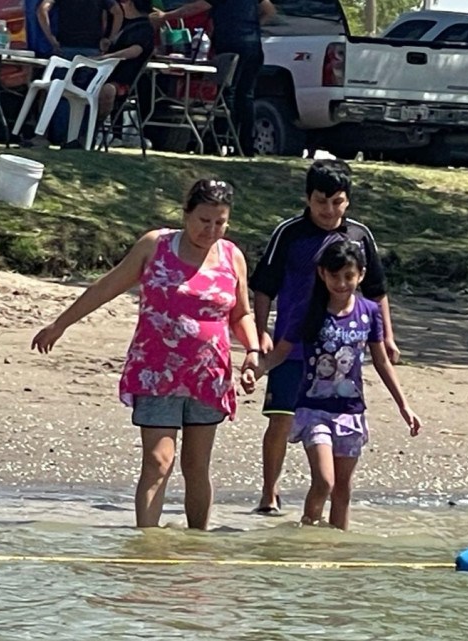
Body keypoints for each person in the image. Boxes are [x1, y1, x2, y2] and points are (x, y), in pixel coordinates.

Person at [32, 179, 261, 530]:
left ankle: (196, 543)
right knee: (158, 461)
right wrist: (60, 325)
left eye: (220, 222)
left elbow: (241, 314)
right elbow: (106, 287)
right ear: (186, 214)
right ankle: (147, 544)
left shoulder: (232, 256)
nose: (211, 230)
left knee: (197, 465)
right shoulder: (156, 246)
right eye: (204, 220)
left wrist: (253, 350)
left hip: (208, 375)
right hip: (156, 372)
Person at [248, 159, 399, 516]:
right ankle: (270, 492)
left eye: (337, 202)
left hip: (337, 348)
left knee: (332, 418)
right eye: (320, 202)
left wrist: (388, 336)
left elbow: (377, 290)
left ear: (347, 200)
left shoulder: (359, 237)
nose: (329, 210)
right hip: (292, 343)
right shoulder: (289, 233)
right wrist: (259, 334)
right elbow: (264, 287)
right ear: (307, 198)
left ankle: (323, 507)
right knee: (281, 417)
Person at [249, 240, 421, 528]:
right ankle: (309, 534)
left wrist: (404, 406)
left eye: (348, 277)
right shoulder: (307, 310)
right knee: (324, 481)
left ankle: (337, 551)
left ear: (361, 275)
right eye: (335, 276)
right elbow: (280, 353)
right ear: (322, 274)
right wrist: (256, 370)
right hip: (313, 409)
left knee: (342, 489)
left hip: (350, 412)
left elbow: (381, 362)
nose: (341, 283)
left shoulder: (369, 311)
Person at [151, 0, 275, 156]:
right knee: (245, 96)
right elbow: (269, 10)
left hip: (231, 45)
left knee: (228, 93)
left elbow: (198, 6)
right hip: (253, 45)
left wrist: (166, 16)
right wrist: (253, 26)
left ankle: (226, 141)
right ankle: (245, 145)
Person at [38, 0, 123, 58]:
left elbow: (42, 9)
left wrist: (51, 38)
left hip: (65, 46)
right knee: (89, 84)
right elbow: (118, 12)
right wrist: (110, 39)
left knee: (61, 83)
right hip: (92, 48)